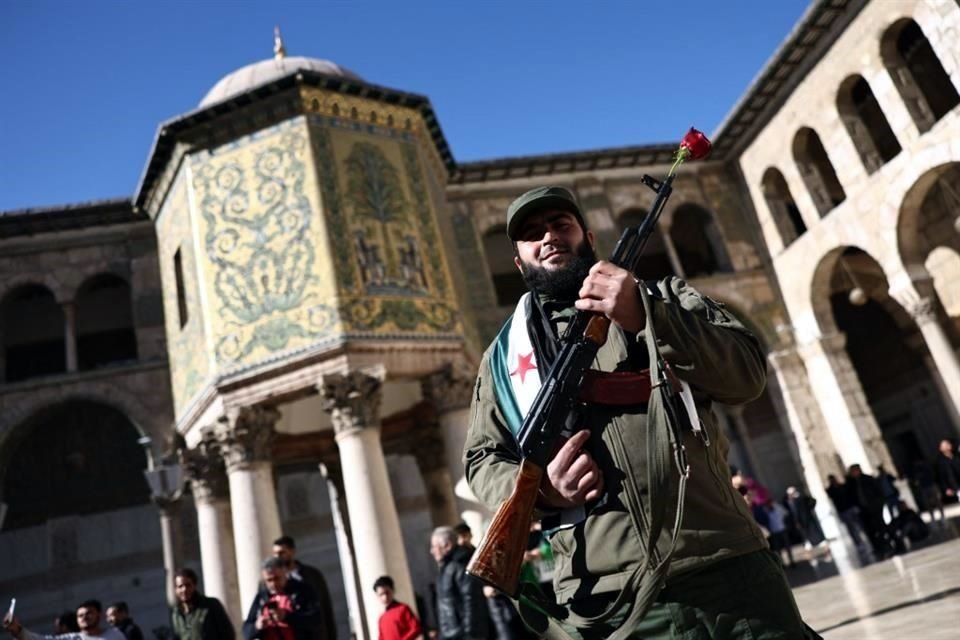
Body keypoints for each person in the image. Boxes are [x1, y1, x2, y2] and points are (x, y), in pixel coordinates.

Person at [463, 186, 814, 639]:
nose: (548, 237)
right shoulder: (503, 360)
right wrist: (544, 490)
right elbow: (481, 459)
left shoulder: (665, 296)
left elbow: (745, 374)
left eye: (560, 225)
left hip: (727, 569)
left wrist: (649, 317)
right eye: (533, 234)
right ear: (519, 261)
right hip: (610, 598)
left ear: (588, 237)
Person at [272, 536, 336, 640]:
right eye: (275, 554)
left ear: (292, 551)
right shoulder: (271, 582)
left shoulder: (312, 576)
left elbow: (325, 610)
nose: (277, 557)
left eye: (281, 553)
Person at [430, 526, 488, 640]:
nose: (431, 551)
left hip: (463, 635)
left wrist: (468, 634)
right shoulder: (445, 567)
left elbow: (472, 602)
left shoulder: (460, 565)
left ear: (447, 545)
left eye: (434, 546)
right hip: (450, 634)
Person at [243, 558, 320, 640]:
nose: (273, 584)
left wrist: (287, 616)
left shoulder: (301, 590)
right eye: (269, 580)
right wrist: (257, 626)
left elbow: (315, 619)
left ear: (285, 574)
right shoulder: (262, 597)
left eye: (277, 578)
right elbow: (247, 629)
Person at [4, 600, 126, 640]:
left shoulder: (115, 635)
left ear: (98, 615)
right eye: (80, 615)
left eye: (89, 613)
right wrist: (17, 629)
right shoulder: (73, 638)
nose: (84, 617)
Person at [171, 567, 235, 640]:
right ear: (176, 590)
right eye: (180, 586)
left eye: (188, 585)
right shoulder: (176, 613)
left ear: (194, 585)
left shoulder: (211, 605)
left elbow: (228, 634)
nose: (184, 589)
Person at [373, 575, 422, 640]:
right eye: (381, 594)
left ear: (393, 590)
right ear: (377, 596)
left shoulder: (403, 609)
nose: (385, 597)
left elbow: (416, 628)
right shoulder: (381, 619)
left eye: (387, 592)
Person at [935, 439, 960, 503]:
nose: (947, 446)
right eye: (945, 445)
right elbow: (941, 477)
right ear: (941, 449)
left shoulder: (957, 457)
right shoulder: (941, 462)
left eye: (948, 444)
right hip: (956, 487)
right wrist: (946, 488)